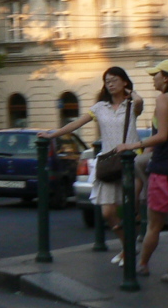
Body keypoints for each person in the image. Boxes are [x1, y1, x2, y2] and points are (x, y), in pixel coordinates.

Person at [113, 59, 168, 285]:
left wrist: (132, 146)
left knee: (154, 224)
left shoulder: (163, 99)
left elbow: (162, 136)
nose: (153, 78)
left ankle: (142, 264)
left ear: (166, 78)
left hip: (163, 172)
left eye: (156, 74)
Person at [40, 67, 144, 265]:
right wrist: (52, 134)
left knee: (129, 210)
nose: (110, 84)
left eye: (114, 80)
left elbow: (139, 103)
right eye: (107, 81)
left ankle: (128, 250)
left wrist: (132, 92)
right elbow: (76, 124)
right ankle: (127, 246)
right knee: (107, 212)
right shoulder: (100, 107)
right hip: (108, 163)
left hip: (130, 163)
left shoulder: (132, 104)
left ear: (124, 82)